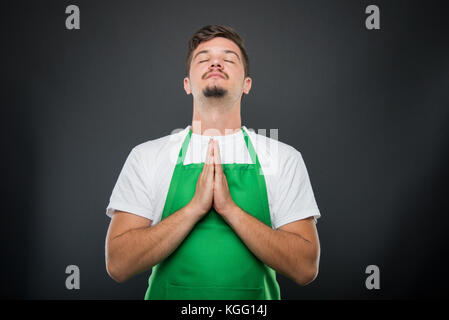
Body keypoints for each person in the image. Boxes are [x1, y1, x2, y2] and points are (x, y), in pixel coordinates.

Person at [105, 25, 321, 300]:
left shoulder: (284, 159)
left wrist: (230, 209)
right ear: (187, 84)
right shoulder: (147, 156)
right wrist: (194, 208)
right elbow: (118, 264)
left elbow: (305, 268)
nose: (216, 62)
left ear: (247, 85)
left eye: (229, 59)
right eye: (204, 59)